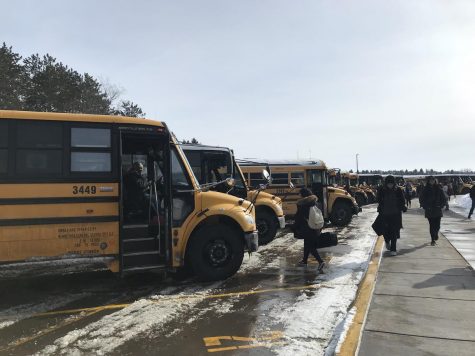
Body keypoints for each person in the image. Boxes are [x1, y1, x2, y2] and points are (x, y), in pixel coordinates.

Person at [293, 188, 325, 271]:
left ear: (303, 194)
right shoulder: (315, 202)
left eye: (300, 193)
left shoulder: (302, 204)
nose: (298, 195)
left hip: (307, 228)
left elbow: (299, 217)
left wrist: (294, 227)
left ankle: (320, 261)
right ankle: (304, 260)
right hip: (315, 227)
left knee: (310, 246)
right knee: (307, 244)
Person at [376, 175, 407, 256]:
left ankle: (393, 249)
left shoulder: (398, 190)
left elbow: (402, 200)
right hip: (384, 214)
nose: (390, 185)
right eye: (389, 184)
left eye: (392, 183)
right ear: (386, 183)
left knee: (394, 231)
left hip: (395, 214)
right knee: (385, 231)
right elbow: (378, 199)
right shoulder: (382, 190)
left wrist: (403, 207)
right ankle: (386, 240)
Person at [420, 176, 447, 246]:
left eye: (433, 180)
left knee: (437, 226)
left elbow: (444, 198)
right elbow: (421, 199)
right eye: (430, 180)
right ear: (428, 181)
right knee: (432, 225)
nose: (432, 181)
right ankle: (432, 240)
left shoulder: (439, 188)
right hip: (429, 210)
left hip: (437, 209)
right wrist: (425, 206)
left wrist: (441, 205)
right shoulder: (425, 189)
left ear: (435, 181)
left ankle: (436, 234)